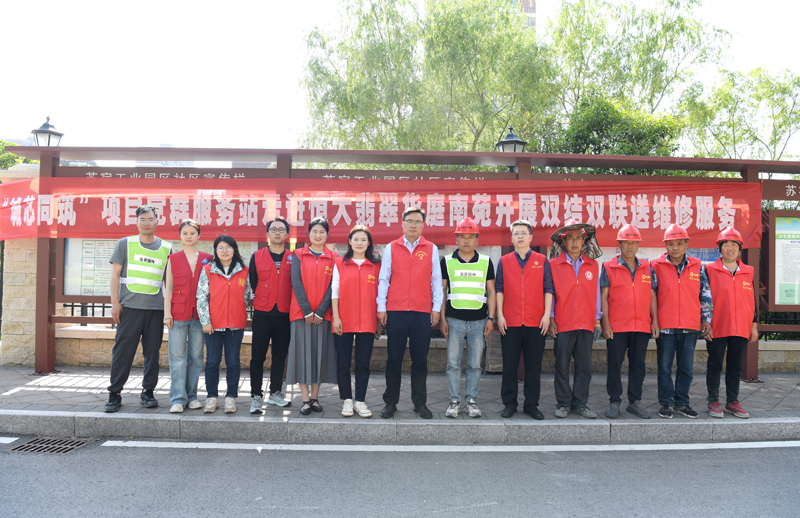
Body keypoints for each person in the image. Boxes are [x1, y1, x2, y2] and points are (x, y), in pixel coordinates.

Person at [104, 205, 172, 413]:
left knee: (152, 353)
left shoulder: (167, 248)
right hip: (129, 308)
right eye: (143, 219)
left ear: (157, 221)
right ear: (137, 222)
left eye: (150, 219)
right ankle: (114, 394)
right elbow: (115, 275)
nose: (146, 223)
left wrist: (167, 311)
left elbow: (169, 283)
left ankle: (148, 392)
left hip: (155, 310)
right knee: (123, 352)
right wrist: (115, 303)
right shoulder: (125, 244)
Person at [377, 207, 443, 420]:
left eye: (418, 221)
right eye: (410, 221)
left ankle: (419, 403)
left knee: (420, 360)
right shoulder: (391, 247)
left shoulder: (431, 248)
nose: (413, 225)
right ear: (402, 223)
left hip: (421, 312)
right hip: (396, 312)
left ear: (423, 225)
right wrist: (381, 307)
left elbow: (436, 281)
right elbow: (384, 279)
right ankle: (390, 402)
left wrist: (436, 308)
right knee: (394, 359)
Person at [651, 224, 713, 419]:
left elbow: (705, 294)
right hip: (666, 327)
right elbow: (651, 297)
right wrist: (654, 321)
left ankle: (682, 403)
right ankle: (666, 403)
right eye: (671, 244)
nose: (675, 247)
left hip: (690, 326)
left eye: (679, 243)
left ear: (687, 244)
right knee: (664, 368)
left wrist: (706, 319)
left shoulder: (697, 266)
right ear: (665, 245)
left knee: (686, 368)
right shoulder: (656, 266)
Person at [495, 220, 553, 420]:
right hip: (510, 321)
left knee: (533, 366)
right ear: (511, 238)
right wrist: (500, 315)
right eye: (516, 233)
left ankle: (531, 405)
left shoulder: (541, 260)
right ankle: (509, 404)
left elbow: (548, 288)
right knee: (509, 366)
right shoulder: (504, 261)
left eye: (523, 233)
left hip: (536, 322)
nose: (519, 236)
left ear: (530, 237)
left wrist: (546, 315)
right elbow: (499, 288)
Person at [440, 217, 496, 418]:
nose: (466, 241)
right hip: (453, 320)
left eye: (470, 237)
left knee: (475, 365)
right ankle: (454, 401)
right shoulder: (446, 261)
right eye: (462, 236)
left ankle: (471, 401)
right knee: (453, 364)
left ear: (477, 239)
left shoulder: (485, 262)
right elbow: (442, 291)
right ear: (456, 239)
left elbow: (491, 291)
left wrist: (491, 319)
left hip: (479, 321)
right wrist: (443, 319)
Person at [549, 220, 603, 419]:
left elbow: (597, 294)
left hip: (586, 324)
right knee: (562, 366)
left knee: (584, 367)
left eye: (578, 238)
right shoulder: (553, 264)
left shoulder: (592, 265)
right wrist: (551, 318)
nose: (574, 242)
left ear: (584, 241)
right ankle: (563, 403)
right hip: (563, 323)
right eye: (570, 238)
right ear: (563, 242)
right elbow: (549, 293)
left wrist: (597, 320)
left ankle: (580, 404)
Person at [600, 224, 653, 419]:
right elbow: (603, 297)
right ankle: (614, 401)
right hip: (617, 326)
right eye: (626, 242)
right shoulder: (608, 267)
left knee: (638, 364)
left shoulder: (647, 267)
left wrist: (654, 321)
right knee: (614, 364)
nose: (630, 246)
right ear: (619, 245)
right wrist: (606, 323)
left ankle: (634, 401)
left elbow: (652, 295)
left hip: (641, 325)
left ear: (638, 245)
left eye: (634, 243)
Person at [286, 217, 338, 416]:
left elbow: (334, 285)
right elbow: (296, 282)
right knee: (302, 355)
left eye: (322, 231)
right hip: (301, 315)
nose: (318, 235)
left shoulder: (334, 257)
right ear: (308, 234)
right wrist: (307, 310)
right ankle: (305, 399)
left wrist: (322, 310)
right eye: (314, 231)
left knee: (319, 355)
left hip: (323, 315)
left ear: (327, 235)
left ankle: (315, 397)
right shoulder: (298, 254)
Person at [705, 227, 758, 419]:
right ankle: (713, 400)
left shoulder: (748, 271)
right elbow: (704, 298)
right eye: (726, 244)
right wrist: (706, 322)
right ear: (720, 248)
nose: (730, 248)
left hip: (741, 326)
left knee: (735, 365)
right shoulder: (709, 270)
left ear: (739, 249)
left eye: (734, 245)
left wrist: (754, 325)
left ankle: (732, 401)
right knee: (715, 364)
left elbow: (753, 300)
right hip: (717, 325)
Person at [197, 235, 251, 414]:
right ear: (215, 251)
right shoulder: (208, 269)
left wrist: (238, 313)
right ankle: (212, 397)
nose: (225, 251)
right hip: (213, 326)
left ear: (234, 249)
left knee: (233, 362)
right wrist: (206, 321)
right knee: (212, 362)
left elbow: (246, 296)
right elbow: (202, 297)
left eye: (228, 247)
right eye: (220, 247)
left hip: (236, 325)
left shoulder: (243, 270)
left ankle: (231, 397)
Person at [164, 219, 213, 413]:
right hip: (177, 314)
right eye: (185, 233)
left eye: (192, 233)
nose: (189, 236)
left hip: (199, 316)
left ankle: (192, 397)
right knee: (177, 357)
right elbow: (169, 288)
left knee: (196, 357)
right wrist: (167, 314)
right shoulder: (173, 258)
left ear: (198, 235)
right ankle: (177, 399)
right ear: (180, 236)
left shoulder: (208, 259)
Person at [332, 225, 381, 418]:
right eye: (356, 239)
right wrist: (336, 317)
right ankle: (346, 400)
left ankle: (360, 401)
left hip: (368, 322)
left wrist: (378, 322)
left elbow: (380, 295)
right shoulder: (339, 263)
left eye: (363, 239)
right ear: (349, 242)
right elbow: (334, 292)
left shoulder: (375, 266)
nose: (359, 243)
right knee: (343, 363)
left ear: (368, 243)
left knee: (363, 364)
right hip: (343, 320)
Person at [248, 217, 293, 415]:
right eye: (273, 229)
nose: (277, 233)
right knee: (257, 356)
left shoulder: (293, 258)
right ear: (267, 233)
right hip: (262, 313)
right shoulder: (257, 256)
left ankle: (275, 392)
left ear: (287, 234)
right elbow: (254, 281)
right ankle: (256, 395)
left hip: (284, 313)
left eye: (281, 230)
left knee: (280, 356)